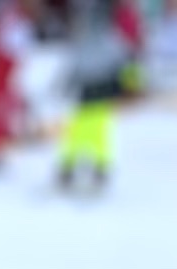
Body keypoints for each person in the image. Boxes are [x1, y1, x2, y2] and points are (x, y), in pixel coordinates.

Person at [57, 0, 139, 187]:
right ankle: (79, 165)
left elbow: (120, 56)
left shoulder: (103, 34)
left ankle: (87, 165)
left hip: (96, 86)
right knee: (88, 127)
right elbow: (122, 56)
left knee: (91, 127)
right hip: (93, 86)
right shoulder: (101, 34)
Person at [0, 0, 42, 167]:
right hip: (2, 66)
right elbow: (6, 41)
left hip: (6, 66)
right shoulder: (12, 14)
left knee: (4, 104)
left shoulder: (13, 14)